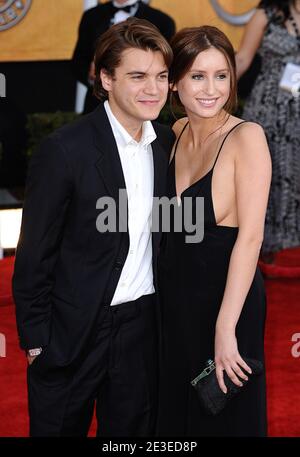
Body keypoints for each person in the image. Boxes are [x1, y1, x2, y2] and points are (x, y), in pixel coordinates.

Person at [12, 18, 174, 437]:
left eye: (161, 76)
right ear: (105, 78)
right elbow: (34, 254)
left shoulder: (168, 146)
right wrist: (37, 340)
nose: (153, 89)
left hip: (141, 331)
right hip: (71, 333)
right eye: (137, 76)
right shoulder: (65, 150)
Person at [156, 26, 271, 436]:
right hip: (174, 304)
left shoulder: (246, 138)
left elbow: (251, 239)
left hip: (227, 302)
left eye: (221, 75)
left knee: (224, 418)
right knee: (175, 419)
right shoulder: (174, 134)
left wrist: (226, 329)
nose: (211, 89)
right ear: (174, 82)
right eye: (197, 76)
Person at [236, 0, 300, 263]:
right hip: (268, 109)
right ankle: (259, 244)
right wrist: (214, 92)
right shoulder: (268, 13)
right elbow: (242, 58)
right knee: (265, 174)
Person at [72, 0, 176, 113]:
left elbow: (168, 66)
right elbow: (78, 60)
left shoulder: (162, 21)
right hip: (96, 105)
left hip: (145, 107)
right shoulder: (91, 16)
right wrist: (91, 74)